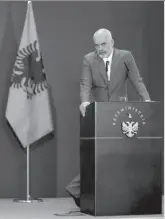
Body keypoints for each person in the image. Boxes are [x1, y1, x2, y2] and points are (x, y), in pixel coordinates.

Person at [66, 28, 151, 208]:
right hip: (99, 114)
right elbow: (85, 85)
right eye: (97, 45)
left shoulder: (126, 56)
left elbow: (137, 80)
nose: (100, 49)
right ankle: (79, 189)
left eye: (103, 44)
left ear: (112, 42)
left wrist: (147, 100)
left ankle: (86, 190)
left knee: (118, 157)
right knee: (100, 156)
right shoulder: (88, 59)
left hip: (122, 114)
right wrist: (84, 102)